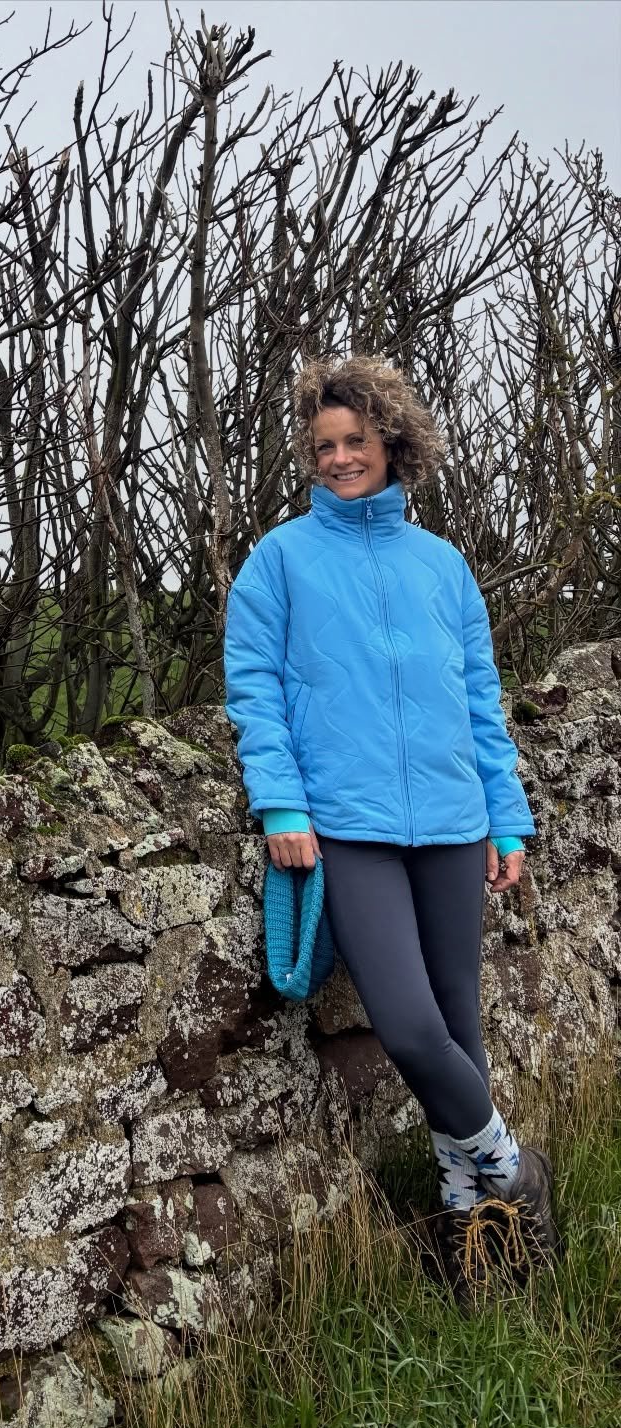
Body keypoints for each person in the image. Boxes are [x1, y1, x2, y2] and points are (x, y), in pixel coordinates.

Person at [222, 354, 558, 1297]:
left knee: (458, 1026)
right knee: (411, 1029)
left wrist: (506, 822)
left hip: (455, 823)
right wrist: (281, 802)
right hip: (348, 827)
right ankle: (515, 1170)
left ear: (392, 443)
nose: (338, 458)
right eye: (323, 444)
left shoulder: (442, 565)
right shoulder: (280, 560)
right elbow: (254, 690)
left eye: (356, 441)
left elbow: (480, 701)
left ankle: (470, 1232)